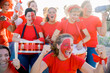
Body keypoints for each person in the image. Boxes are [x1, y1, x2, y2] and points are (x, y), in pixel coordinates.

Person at [30, 33, 107, 73]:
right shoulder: (51, 57)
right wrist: (42, 54)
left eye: (71, 45)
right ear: (58, 46)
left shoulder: (75, 59)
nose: (70, 48)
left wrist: (102, 59)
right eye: (66, 44)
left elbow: (94, 72)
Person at [13, 8, 44, 72]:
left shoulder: (37, 27)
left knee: (36, 71)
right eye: (29, 16)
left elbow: (42, 39)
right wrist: (22, 40)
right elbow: (13, 38)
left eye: (33, 16)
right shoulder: (21, 26)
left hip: (34, 53)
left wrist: (36, 41)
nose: (31, 18)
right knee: (23, 71)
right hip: (22, 54)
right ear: (25, 17)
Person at [80, 1, 108, 68]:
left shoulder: (95, 19)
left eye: (90, 7)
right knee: (79, 68)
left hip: (92, 48)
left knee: (91, 68)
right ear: (82, 8)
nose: (89, 8)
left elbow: (102, 33)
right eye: (87, 6)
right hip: (79, 48)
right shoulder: (77, 19)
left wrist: (104, 20)